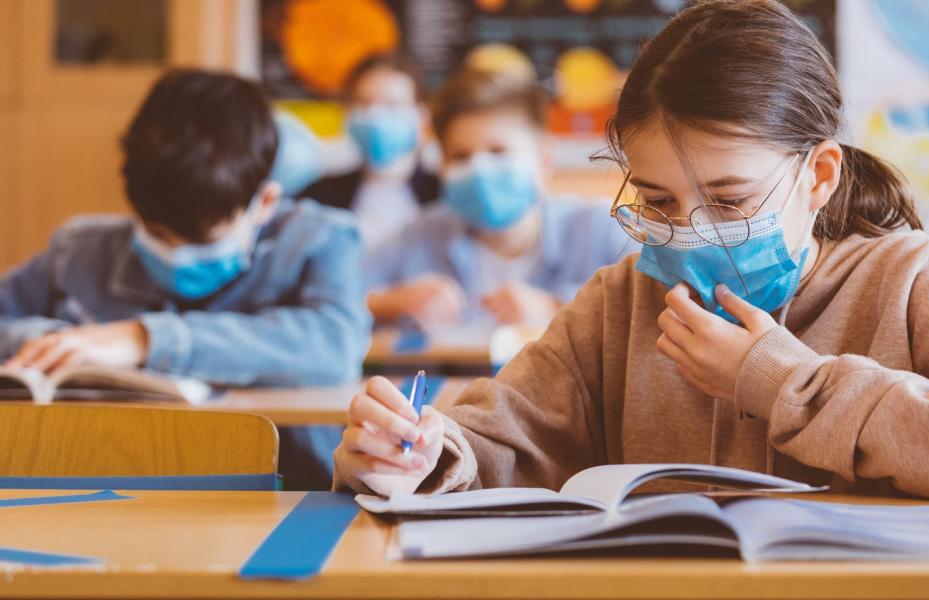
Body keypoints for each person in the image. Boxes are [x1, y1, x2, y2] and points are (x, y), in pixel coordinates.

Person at [332, 0, 929, 500]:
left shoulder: (916, 282)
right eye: (658, 202)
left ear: (819, 176)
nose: (689, 230)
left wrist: (777, 383)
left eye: (731, 200)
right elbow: (505, 434)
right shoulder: (621, 300)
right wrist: (417, 452)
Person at [0, 69, 371, 488]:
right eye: (156, 234)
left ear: (265, 202)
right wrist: (59, 343)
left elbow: (335, 344)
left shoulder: (319, 239)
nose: (175, 254)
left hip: (289, 491)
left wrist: (142, 340)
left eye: (205, 240)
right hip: (104, 484)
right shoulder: (79, 249)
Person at [365, 68, 628, 330]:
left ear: (544, 158)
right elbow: (340, 291)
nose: (479, 169)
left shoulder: (604, 228)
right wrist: (391, 302)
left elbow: (654, 302)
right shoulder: (420, 236)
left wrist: (557, 308)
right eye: (461, 156)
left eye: (498, 151)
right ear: (442, 166)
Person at [300, 54, 439, 250]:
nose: (375, 116)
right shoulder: (317, 199)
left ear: (422, 117)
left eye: (392, 105)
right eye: (363, 103)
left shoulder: (444, 195)